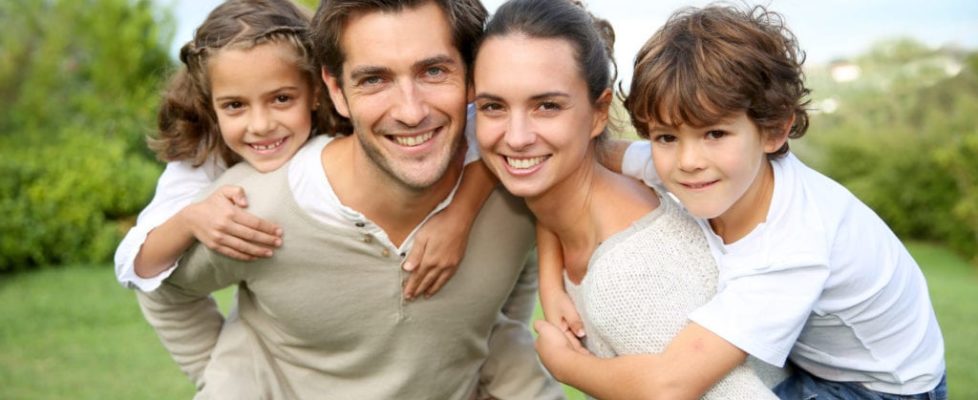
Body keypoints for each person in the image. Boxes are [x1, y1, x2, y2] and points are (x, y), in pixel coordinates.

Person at [134, 0, 563, 398]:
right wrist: (232, 380)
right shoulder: (248, 208)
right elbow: (161, 289)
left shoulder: (517, 187)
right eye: (374, 79)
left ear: (473, 77)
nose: (410, 111)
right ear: (335, 91)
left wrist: (488, 354)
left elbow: (513, 270)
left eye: (433, 71)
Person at [541, 4, 948, 399]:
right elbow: (572, 165)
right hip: (812, 357)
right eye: (665, 136)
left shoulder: (791, 245)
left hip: (879, 388)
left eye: (715, 133)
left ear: (774, 131)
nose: (688, 162)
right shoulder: (689, 165)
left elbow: (670, 386)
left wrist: (566, 365)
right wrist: (550, 279)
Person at [472, 0, 779, 398]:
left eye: (547, 106)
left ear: (599, 113)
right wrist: (550, 283)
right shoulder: (581, 201)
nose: (516, 137)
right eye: (493, 106)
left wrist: (568, 366)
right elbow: (549, 210)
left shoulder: (629, 275)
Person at [114, 0, 489, 302]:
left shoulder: (351, 124)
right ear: (209, 104)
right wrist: (189, 219)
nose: (260, 124)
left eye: (281, 98)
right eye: (234, 105)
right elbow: (136, 264)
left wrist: (459, 215)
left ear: (316, 90)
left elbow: (484, 131)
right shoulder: (203, 157)